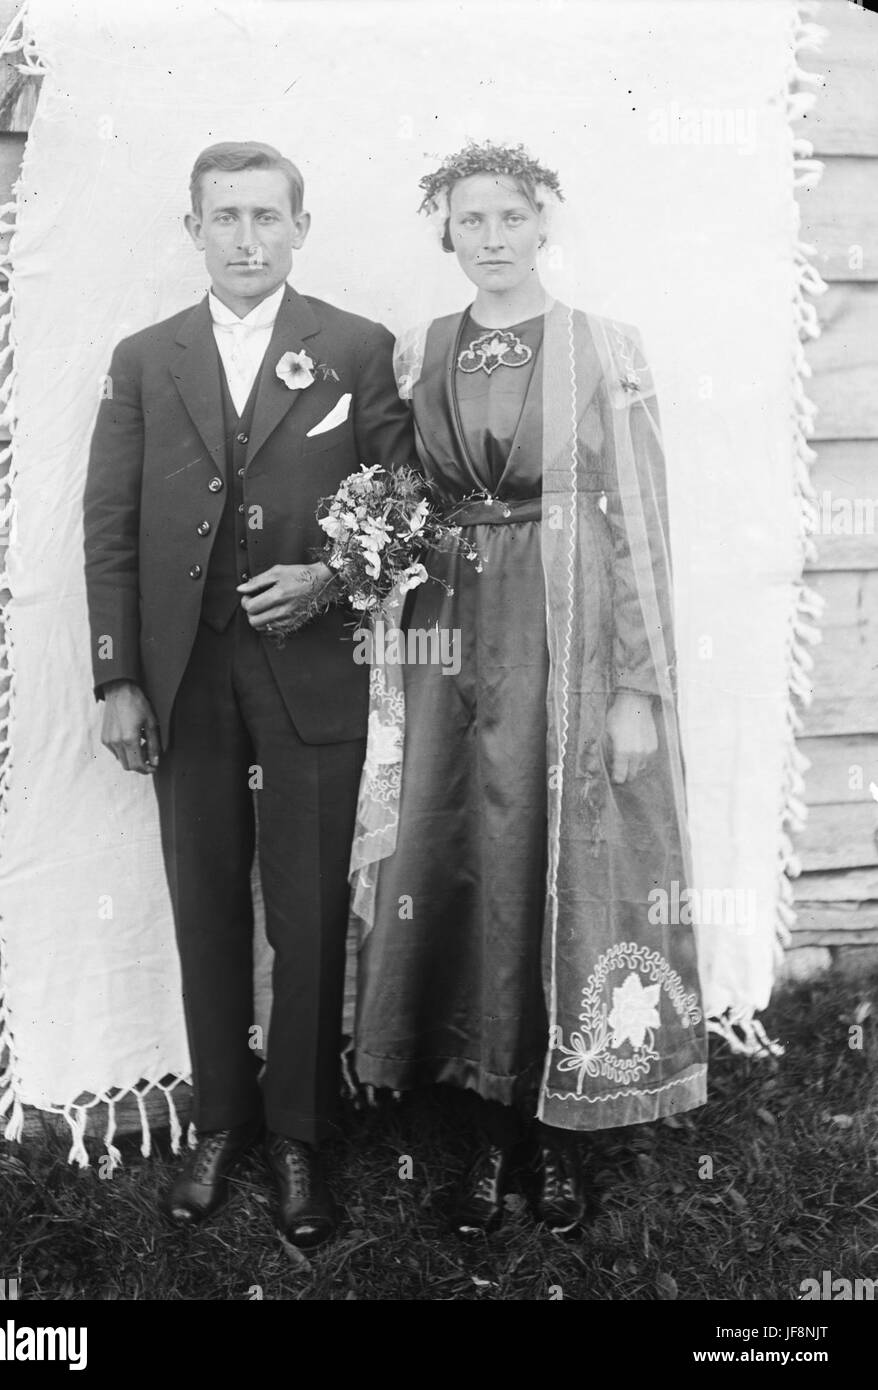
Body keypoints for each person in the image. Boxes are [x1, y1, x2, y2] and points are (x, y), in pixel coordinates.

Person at [351, 141, 707, 1236]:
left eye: (511, 218)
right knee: (458, 856)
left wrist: (638, 687)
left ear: (542, 223)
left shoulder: (604, 347)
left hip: (570, 633)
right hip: (450, 640)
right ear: (446, 233)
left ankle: (562, 1136)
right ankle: (478, 1122)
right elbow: (400, 502)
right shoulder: (426, 352)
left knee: (562, 858)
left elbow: (639, 525)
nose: (493, 239)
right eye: (471, 222)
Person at [83, 141, 414, 1248]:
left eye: (267, 217)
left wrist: (331, 575)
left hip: (310, 667)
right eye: (224, 217)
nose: (246, 238)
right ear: (194, 230)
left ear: (300, 227)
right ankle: (221, 1117)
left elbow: (408, 504)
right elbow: (112, 525)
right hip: (187, 674)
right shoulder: (145, 358)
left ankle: (302, 1134)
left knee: (310, 905)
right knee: (205, 893)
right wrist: (120, 675)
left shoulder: (355, 347)